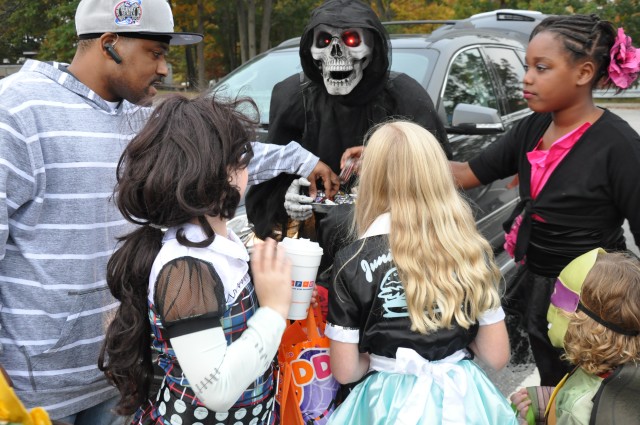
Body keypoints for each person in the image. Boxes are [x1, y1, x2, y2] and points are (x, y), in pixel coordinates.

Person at [0, 0, 335, 422]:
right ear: (109, 44)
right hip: (34, 387)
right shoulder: (15, 111)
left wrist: (301, 160)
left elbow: (218, 157)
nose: (164, 70)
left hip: (122, 373)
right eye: (155, 54)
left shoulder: (137, 118)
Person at [444, 14, 640, 386]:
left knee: (591, 389)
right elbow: (467, 174)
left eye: (542, 67)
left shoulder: (618, 145)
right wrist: (393, 150)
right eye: (527, 66)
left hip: (592, 300)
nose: (527, 78)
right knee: (552, 382)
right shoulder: (532, 127)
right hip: (538, 286)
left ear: (583, 73)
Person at [99, 93, 294, 424]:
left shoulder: (216, 247)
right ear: (222, 173)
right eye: (242, 157)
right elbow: (216, 389)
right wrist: (274, 310)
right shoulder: (186, 266)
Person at [325, 120, 517, 424]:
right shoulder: (469, 250)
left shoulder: (352, 261)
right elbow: (496, 355)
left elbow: (347, 371)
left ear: (372, 180)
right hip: (462, 398)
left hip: (385, 405)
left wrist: (377, 357)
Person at [245, 0, 450, 240]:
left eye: (352, 40)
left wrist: (385, 165)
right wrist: (287, 201)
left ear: (372, 48)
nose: (336, 52)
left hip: (391, 242)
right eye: (324, 41)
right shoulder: (294, 97)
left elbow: (438, 181)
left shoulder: (404, 97)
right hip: (311, 249)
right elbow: (265, 180)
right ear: (311, 49)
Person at [511, 248, 640, 425]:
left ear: (585, 326)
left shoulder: (575, 412)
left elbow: (580, 408)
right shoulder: (624, 363)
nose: (551, 303)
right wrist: (552, 402)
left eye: (559, 298)